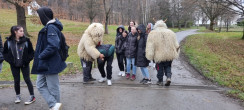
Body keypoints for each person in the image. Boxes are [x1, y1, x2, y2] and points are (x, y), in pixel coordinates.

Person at [31, 7, 67, 110]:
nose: (39, 18)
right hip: (45, 63)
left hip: (50, 63)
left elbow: (53, 45)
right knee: (40, 84)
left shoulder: (51, 27)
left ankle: (56, 106)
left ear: (44, 16)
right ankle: (54, 104)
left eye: (40, 16)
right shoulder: (50, 27)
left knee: (53, 87)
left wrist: (41, 55)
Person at [3, 26, 35, 104]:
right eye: (21, 31)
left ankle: (32, 96)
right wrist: (10, 61)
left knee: (27, 79)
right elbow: (5, 53)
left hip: (24, 64)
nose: (23, 32)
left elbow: (32, 52)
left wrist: (27, 60)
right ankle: (18, 96)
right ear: (15, 32)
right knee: (16, 80)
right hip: (14, 65)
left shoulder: (27, 41)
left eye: (23, 31)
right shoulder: (8, 42)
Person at [146, 20, 180, 86]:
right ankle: (168, 77)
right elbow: (176, 44)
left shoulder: (153, 33)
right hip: (169, 54)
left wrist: (150, 55)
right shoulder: (171, 33)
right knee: (168, 67)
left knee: (159, 68)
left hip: (158, 55)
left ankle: (160, 81)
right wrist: (176, 52)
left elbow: (150, 46)